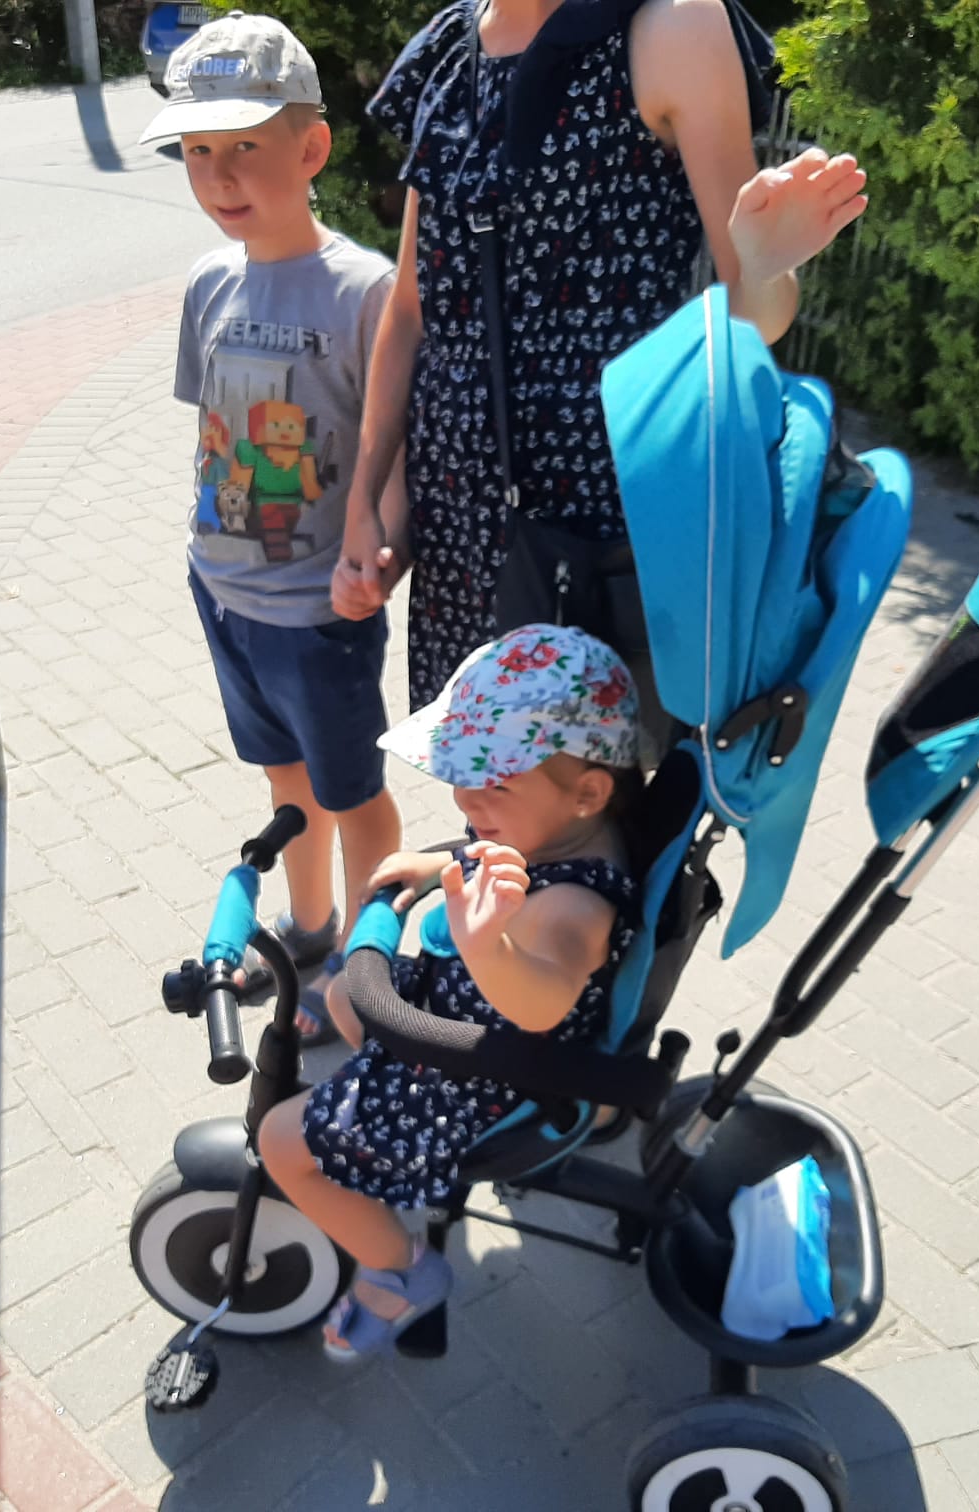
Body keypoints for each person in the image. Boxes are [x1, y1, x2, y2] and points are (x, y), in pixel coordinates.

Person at [331, 0, 869, 709]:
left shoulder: (672, 27)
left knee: (588, 771)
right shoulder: (452, 47)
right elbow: (412, 308)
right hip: (456, 525)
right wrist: (367, 503)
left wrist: (766, 264)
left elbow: (754, 315)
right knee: (471, 766)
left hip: (595, 534)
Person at [259, 623, 642, 1360]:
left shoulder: (575, 908)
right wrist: (440, 865)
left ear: (589, 792)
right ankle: (374, 1124)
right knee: (343, 997)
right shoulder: (560, 832)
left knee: (280, 1141)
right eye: (463, 773)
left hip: (487, 1075)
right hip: (463, 1019)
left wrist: (487, 946)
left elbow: (543, 1001)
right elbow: (506, 850)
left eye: (494, 783)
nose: (466, 796)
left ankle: (401, 1272)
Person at [140, 11, 407, 1040]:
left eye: (245, 145)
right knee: (285, 777)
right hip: (223, 595)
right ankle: (308, 928)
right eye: (196, 151)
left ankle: (361, 973)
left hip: (317, 611)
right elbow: (214, 428)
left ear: (312, 148)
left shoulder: (365, 293)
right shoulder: (209, 282)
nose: (219, 176)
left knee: (354, 791)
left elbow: (398, 454)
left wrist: (380, 558)